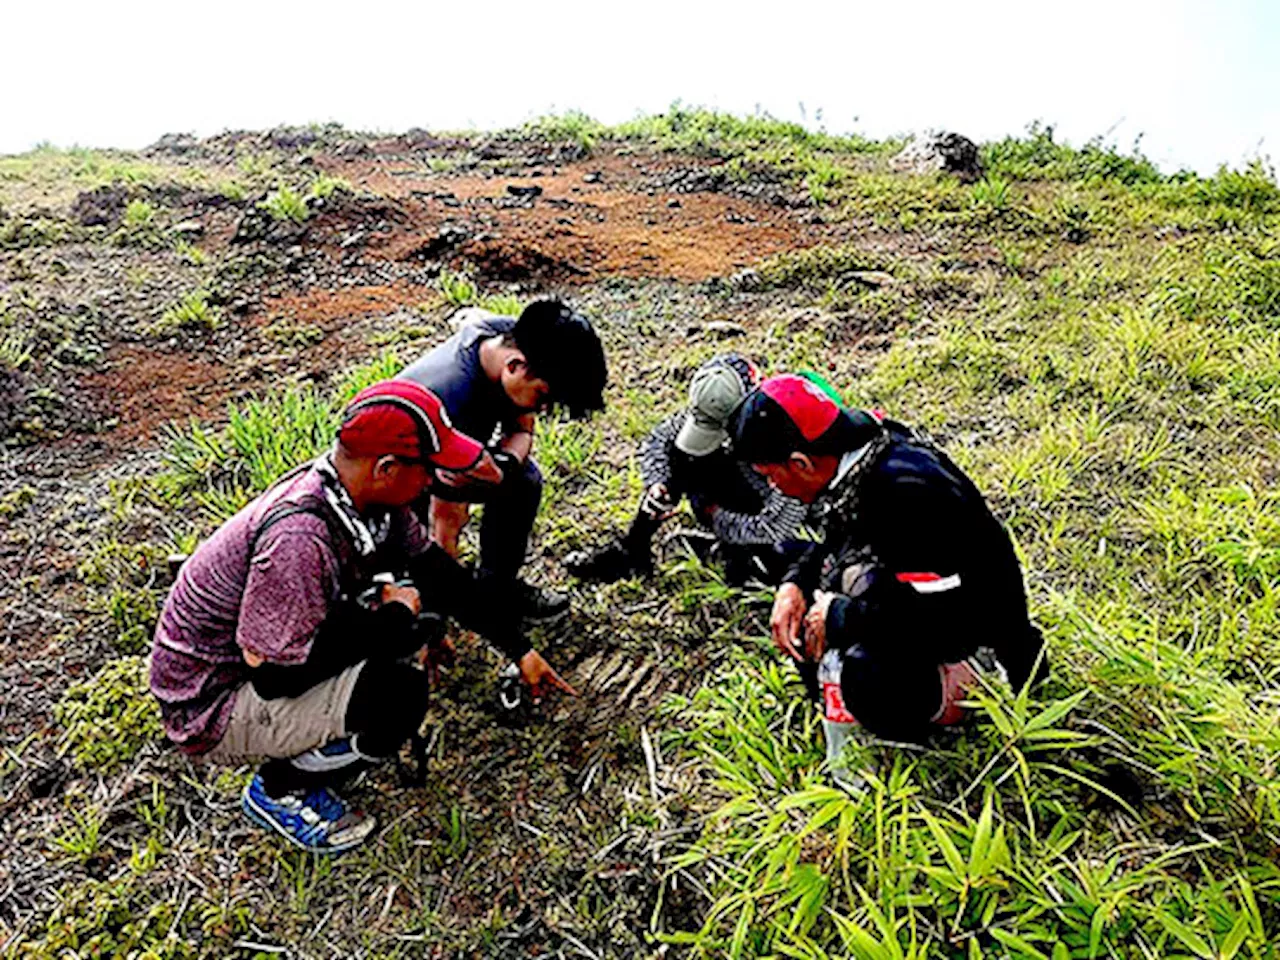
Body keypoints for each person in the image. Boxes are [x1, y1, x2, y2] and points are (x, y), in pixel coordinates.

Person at [149, 380, 574, 853]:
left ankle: (311, 748)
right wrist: (390, 622)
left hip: (266, 653)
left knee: (412, 624)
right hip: (211, 702)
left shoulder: (361, 500)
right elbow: (272, 676)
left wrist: (519, 648)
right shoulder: (300, 538)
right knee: (397, 697)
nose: (437, 484)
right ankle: (279, 788)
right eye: (430, 471)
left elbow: (440, 574)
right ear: (388, 469)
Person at [728, 374, 1045, 770]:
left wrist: (841, 617)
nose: (772, 487)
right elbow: (838, 542)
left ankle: (945, 722)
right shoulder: (860, 459)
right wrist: (795, 583)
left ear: (801, 463)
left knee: (866, 676)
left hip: (977, 641)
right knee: (803, 590)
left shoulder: (904, 493)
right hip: (925, 597)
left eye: (770, 475)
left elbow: (948, 621)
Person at [397, 299, 607, 621]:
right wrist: (448, 600)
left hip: (445, 456)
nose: (544, 410)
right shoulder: (454, 399)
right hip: (394, 483)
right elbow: (446, 518)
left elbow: (522, 430)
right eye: (544, 397)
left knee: (523, 480)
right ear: (515, 367)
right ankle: (428, 601)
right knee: (416, 563)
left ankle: (497, 589)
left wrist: (504, 466)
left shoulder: (513, 340)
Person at [566, 354, 808, 585]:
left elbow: (778, 523)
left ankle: (736, 556)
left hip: (779, 521)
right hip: (736, 496)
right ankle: (632, 549)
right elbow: (660, 439)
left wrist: (718, 517)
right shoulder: (718, 398)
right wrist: (657, 484)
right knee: (683, 454)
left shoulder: (783, 435)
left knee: (777, 563)